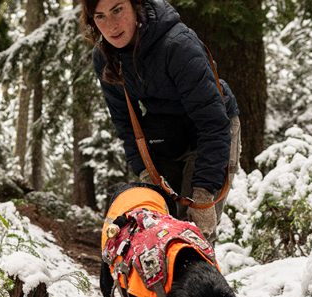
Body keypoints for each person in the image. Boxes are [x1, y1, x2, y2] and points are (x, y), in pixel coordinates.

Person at [80, 0, 241, 244]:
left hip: (211, 132)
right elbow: (125, 122)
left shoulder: (178, 45)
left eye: (117, 10)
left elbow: (213, 122)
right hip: (165, 134)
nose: (111, 25)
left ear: (136, 6)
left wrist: (204, 192)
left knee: (192, 236)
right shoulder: (105, 58)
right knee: (157, 231)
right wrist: (145, 172)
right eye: (100, 16)